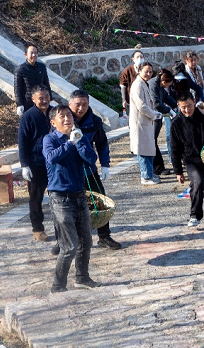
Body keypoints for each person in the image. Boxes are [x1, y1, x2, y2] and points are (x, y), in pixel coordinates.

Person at [44, 105, 100, 293]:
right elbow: (51, 158)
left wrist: (80, 142)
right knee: (69, 246)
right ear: (53, 122)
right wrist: (70, 143)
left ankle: (82, 278)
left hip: (80, 196)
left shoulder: (78, 137)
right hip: (61, 199)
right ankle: (58, 285)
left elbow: (91, 159)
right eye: (62, 116)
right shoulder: (50, 139)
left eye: (69, 115)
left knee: (86, 241)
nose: (68, 119)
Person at [68, 89, 122, 250]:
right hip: (69, 171)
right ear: (70, 104)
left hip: (88, 169)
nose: (81, 108)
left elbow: (102, 144)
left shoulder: (95, 121)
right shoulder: (63, 119)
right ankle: (64, 240)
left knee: (100, 201)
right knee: (67, 206)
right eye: (77, 104)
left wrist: (105, 165)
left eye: (84, 104)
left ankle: (104, 235)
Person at [171, 93, 204, 229]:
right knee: (197, 182)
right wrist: (178, 171)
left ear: (194, 102)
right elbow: (174, 149)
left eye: (190, 106)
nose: (187, 110)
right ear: (178, 106)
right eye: (183, 107)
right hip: (191, 159)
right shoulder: (176, 123)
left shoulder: (203, 115)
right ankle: (195, 215)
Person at [18, 85, 52, 241]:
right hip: (36, 163)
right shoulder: (28, 117)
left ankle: (63, 226)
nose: (44, 101)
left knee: (59, 195)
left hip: (54, 161)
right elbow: (22, 142)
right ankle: (37, 228)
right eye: (40, 98)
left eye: (47, 97)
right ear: (33, 99)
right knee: (36, 197)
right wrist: (25, 165)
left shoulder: (55, 113)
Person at [129, 62, 163, 185]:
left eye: (150, 72)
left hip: (146, 122)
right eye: (146, 71)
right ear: (139, 70)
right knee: (143, 150)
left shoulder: (143, 83)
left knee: (148, 149)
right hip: (140, 122)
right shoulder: (137, 85)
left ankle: (149, 173)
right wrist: (154, 114)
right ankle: (145, 176)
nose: (148, 74)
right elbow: (141, 106)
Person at [151, 68, 178, 176]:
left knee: (153, 141)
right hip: (152, 116)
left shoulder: (160, 85)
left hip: (157, 116)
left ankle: (158, 168)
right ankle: (156, 168)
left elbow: (166, 97)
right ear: (164, 82)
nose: (169, 86)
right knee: (152, 141)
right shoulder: (153, 85)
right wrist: (169, 110)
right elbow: (156, 103)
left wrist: (176, 105)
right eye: (169, 84)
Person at [14, 44, 51, 115]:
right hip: (28, 103)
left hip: (41, 101)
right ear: (26, 54)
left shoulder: (42, 67)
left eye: (35, 53)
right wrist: (19, 104)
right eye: (31, 53)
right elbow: (17, 89)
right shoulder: (20, 69)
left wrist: (50, 98)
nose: (34, 55)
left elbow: (46, 84)